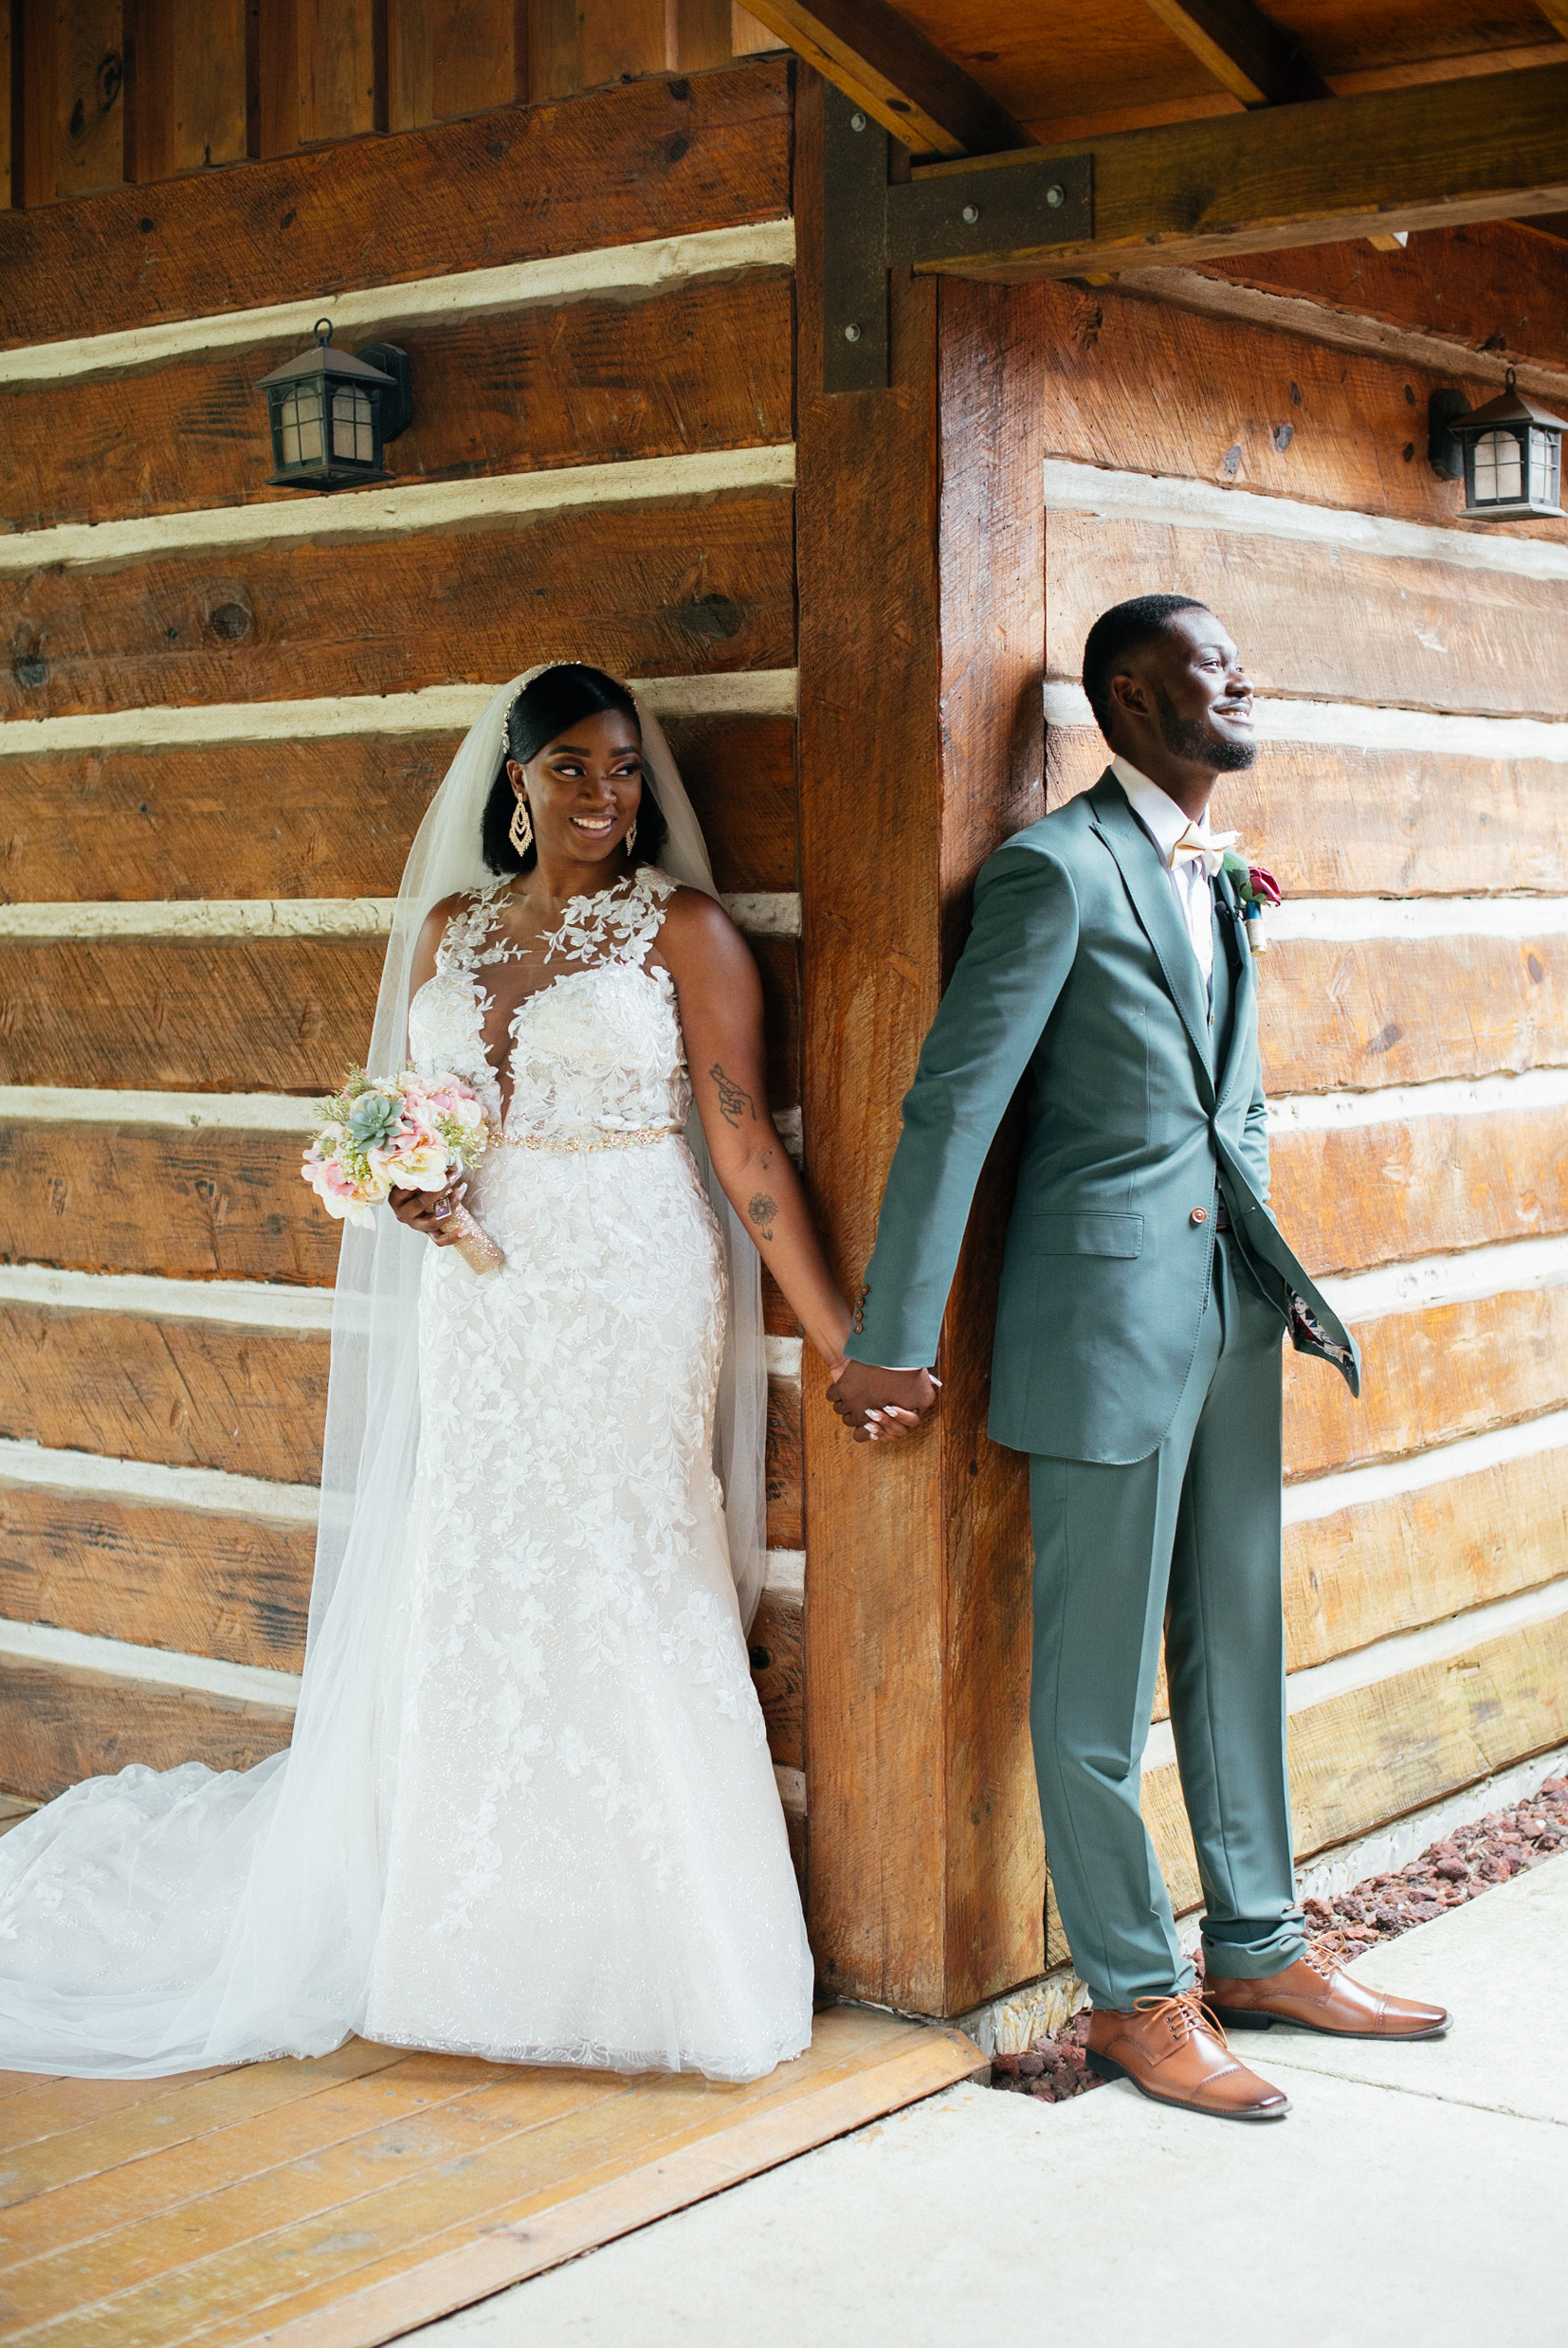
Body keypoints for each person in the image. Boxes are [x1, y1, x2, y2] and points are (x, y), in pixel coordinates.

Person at [0, 663, 849, 2085]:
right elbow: (430, 1120)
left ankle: (658, 1945)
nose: (603, 795)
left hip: (624, 1275)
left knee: (621, 1563)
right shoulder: (452, 932)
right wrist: (417, 1193)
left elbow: (745, 1142)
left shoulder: (681, 932)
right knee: (476, 1565)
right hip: (477, 1292)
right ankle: (462, 1932)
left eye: (625, 768)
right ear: (510, 779)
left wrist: (845, 1340)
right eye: (570, 767)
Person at [828, 597, 1449, 2122]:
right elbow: (950, 1111)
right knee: (1093, 1689)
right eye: (1207, 662)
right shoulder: (1051, 871)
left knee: (1234, 1640)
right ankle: (1130, 1994)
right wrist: (889, 1342)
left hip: (1231, 1313)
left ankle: (1258, 1945)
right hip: (1098, 1325)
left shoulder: (1217, 868)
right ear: (1128, 694)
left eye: (1239, 657)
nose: (1241, 676)